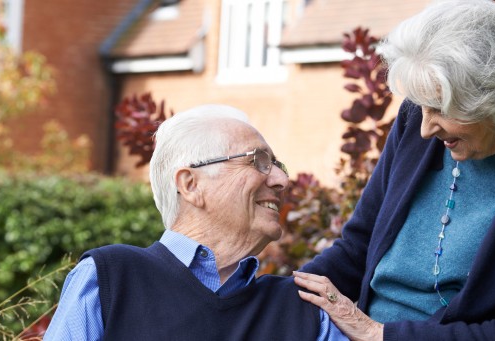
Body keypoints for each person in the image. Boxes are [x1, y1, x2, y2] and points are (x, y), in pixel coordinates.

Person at [292, 1, 495, 340]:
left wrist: (379, 335)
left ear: (494, 101)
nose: (424, 129)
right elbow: (357, 246)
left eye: (440, 109)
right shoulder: (418, 116)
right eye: (422, 105)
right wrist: (274, 304)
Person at [44, 104, 348, 340]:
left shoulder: (303, 309)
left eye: (278, 165)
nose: (282, 179)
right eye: (258, 161)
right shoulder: (110, 279)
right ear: (190, 184)